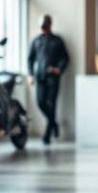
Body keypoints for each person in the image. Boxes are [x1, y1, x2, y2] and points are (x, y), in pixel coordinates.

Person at [28, 15, 69, 145]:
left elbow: (65, 58)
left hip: (53, 77)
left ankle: (47, 134)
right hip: (40, 77)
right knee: (40, 102)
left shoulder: (57, 41)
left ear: (50, 26)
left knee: (51, 104)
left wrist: (59, 69)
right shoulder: (36, 41)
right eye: (42, 27)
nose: (44, 29)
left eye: (46, 26)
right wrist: (30, 75)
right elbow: (30, 59)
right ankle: (53, 123)